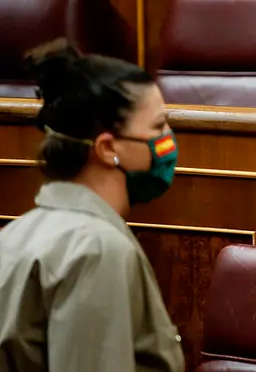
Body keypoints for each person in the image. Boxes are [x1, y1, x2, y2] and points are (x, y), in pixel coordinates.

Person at [0, 39, 184, 372]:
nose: (168, 138)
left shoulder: (16, 232)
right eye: (158, 127)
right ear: (107, 148)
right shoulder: (97, 250)